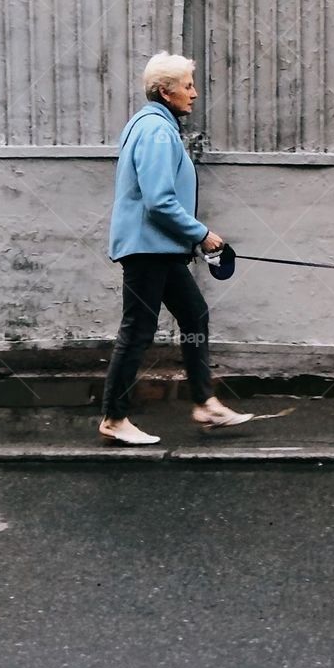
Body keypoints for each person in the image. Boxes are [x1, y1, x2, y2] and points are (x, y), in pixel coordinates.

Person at [99, 51, 252, 445]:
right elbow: (159, 200)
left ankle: (205, 402)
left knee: (194, 314)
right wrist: (201, 234)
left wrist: (191, 237)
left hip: (159, 247)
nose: (195, 94)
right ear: (166, 92)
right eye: (187, 86)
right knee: (137, 330)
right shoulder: (155, 130)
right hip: (147, 249)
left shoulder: (155, 126)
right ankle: (114, 418)